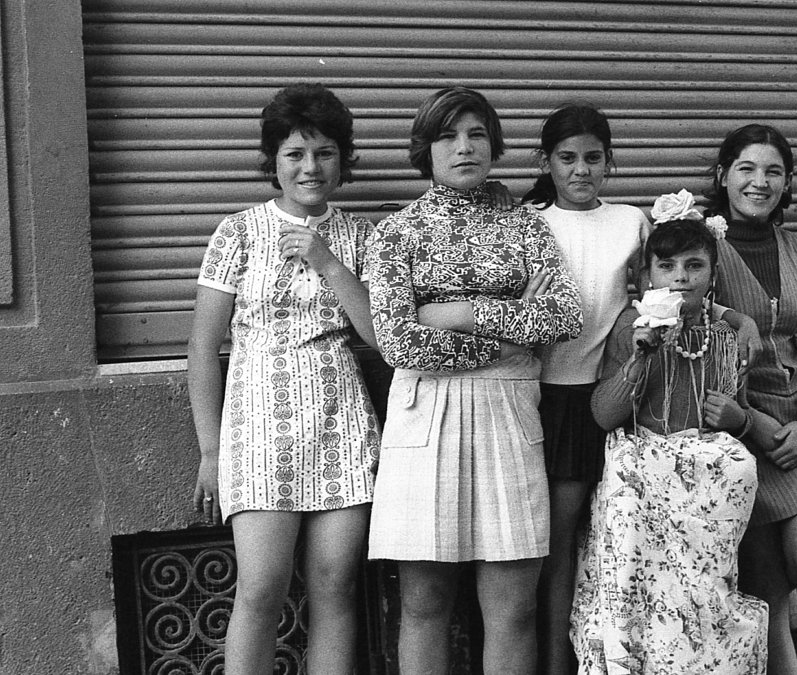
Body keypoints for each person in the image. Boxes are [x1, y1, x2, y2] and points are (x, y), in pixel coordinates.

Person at [523, 104, 764, 675]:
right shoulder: (530, 223)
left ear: (610, 161)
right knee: (560, 544)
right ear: (546, 161)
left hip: (619, 392)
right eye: (567, 158)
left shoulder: (630, 222)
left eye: (593, 158)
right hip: (552, 393)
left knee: (618, 543)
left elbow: (676, 289)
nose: (581, 170)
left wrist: (736, 318)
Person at [365, 86, 582, 675]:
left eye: (477, 134)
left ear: (494, 145)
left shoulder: (525, 226)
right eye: (448, 136)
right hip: (424, 413)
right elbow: (399, 342)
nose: (464, 147)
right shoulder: (397, 233)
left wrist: (458, 312)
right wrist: (509, 333)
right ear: (425, 149)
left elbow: (563, 316)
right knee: (425, 604)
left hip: (509, 413)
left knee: (513, 606)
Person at [188, 82, 380, 675]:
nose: (310, 167)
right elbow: (202, 347)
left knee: (336, 587)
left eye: (324, 152)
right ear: (273, 160)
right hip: (259, 430)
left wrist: (327, 260)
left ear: (343, 160)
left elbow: (382, 337)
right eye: (295, 153)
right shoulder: (238, 232)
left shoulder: (361, 236)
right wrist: (210, 450)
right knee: (261, 588)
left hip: (341, 424)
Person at [571, 202, 769, 674]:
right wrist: (640, 356)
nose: (680, 277)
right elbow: (604, 415)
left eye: (694, 266)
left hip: (704, 482)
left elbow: (737, 407)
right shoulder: (631, 329)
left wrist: (737, 417)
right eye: (667, 266)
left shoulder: (727, 337)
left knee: (702, 592)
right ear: (647, 276)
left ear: (713, 275)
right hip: (644, 469)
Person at [705, 123, 797, 675]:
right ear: (723, 176)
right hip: (734, 430)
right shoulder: (701, 246)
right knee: (767, 594)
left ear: (786, 183)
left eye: (773, 172)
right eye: (746, 169)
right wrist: (748, 424)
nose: (759, 182)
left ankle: (789, 595)